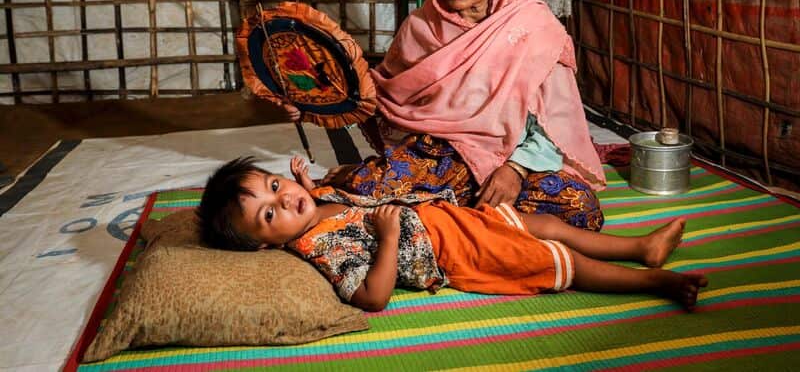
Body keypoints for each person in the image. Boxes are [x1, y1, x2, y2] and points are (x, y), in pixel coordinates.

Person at [280, 0, 607, 232]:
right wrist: (315, 105)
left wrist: (515, 170)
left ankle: (439, 211)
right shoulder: (420, 27)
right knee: (380, 187)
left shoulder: (536, 29)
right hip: (436, 157)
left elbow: (554, 126)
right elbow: (382, 97)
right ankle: (447, 212)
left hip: (510, 158)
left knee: (580, 208)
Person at [196, 155, 708, 313]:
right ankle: (653, 283)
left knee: (549, 223)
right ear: (268, 243)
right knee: (555, 260)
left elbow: (330, 199)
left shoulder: (310, 204)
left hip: (452, 217)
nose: (284, 199)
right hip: (451, 249)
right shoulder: (317, 246)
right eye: (269, 213)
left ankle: (643, 246)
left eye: (273, 185)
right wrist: (390, 239)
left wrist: (309, 184)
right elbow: (372, 297)